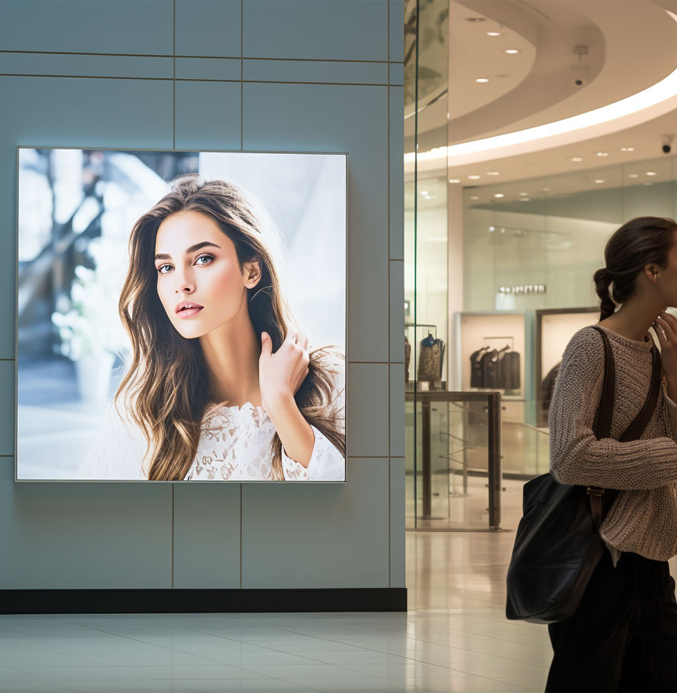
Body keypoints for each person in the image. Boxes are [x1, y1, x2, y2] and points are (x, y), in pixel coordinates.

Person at [78, 174, 345, 482]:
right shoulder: (141, 412)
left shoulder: (332, 381)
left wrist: (280, 403)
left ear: (252, 270)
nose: (182, 284)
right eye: (166, 267)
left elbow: (352, 512)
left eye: (203, 259)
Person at [545, 216, 677, 691]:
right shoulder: (590, 346)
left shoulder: (657, 351)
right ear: (652, 271)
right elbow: (570, 456)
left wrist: (676, 382)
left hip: (652, 558)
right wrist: (670, 456)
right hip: (600, 559)